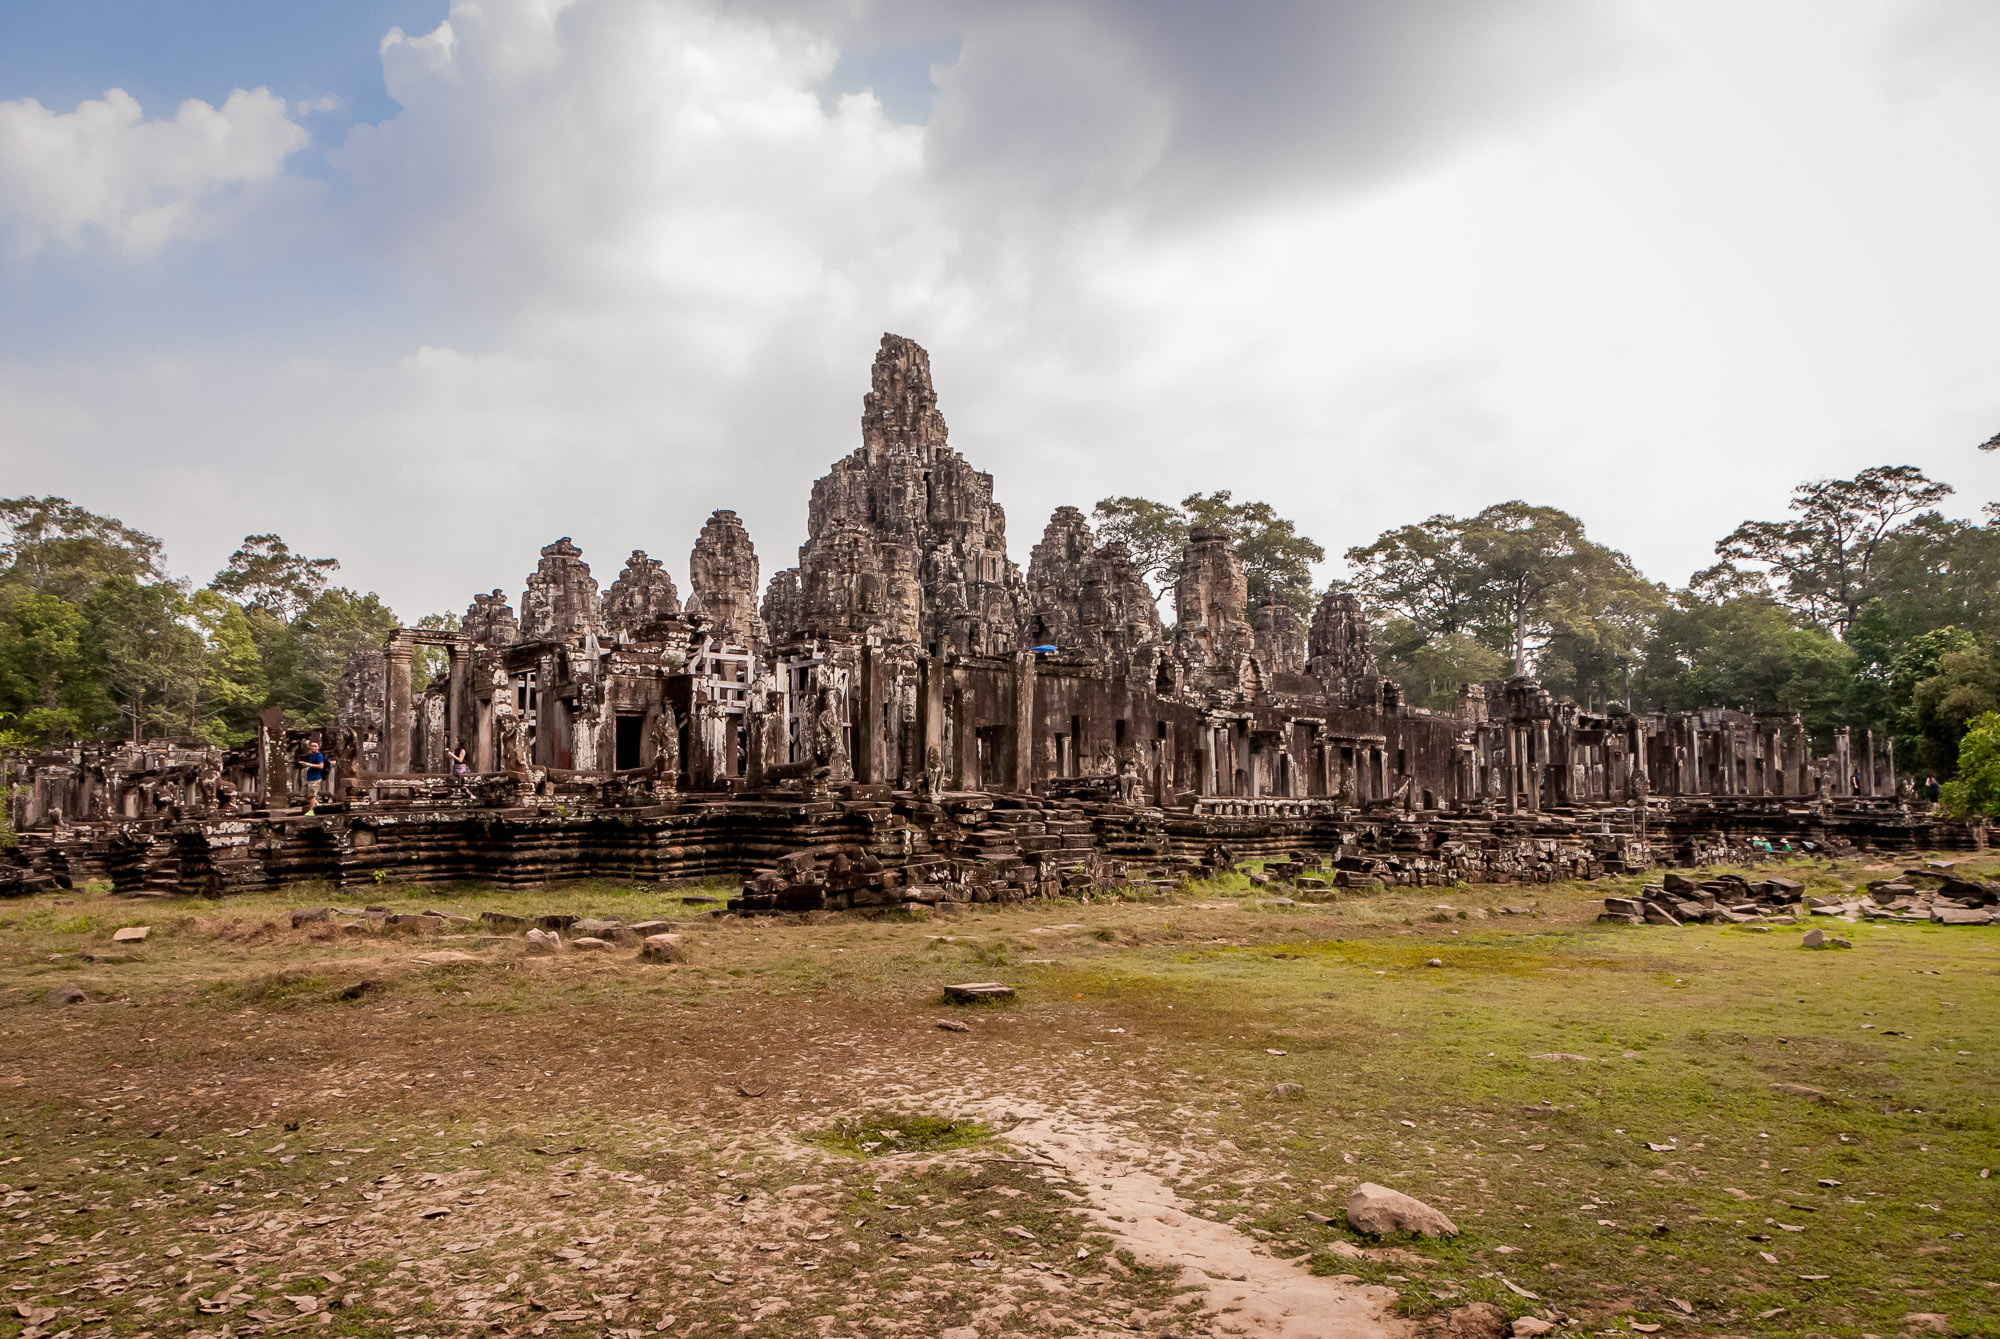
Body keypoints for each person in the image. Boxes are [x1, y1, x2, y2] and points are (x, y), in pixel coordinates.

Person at [302, 740, 326, 813]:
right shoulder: (311, 756)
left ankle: (312, 810)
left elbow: (321, 766)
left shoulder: (319, 755)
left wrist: (309, 764)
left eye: (315, 746)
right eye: (312, 746)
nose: (313, 747)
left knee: (311, 795)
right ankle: (317, 804)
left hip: (315, 777)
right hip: (309, 777)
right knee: (304, 793)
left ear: (318, 747)